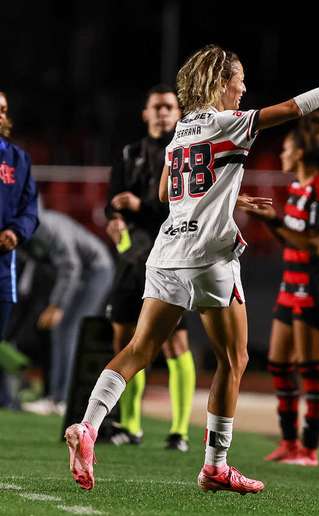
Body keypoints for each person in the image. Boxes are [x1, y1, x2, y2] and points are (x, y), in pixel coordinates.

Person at [64, 44, 319, 493]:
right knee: (234, 358)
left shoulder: (181, 131)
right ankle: (216, 465)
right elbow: (294, 108)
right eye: (239, 78)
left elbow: (166, 192)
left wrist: (229, 198)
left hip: (166, 253)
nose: (244, 87)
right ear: (221, 81)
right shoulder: (229, 123)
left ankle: (88, 426)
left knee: (139, 349)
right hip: (210, 257)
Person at [238, 112, 319, 468]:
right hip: (293, 282)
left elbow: (313, 245)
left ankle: (309, 450)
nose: (282, 154)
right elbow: (292, 241)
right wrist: (269, 222)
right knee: (279, 364)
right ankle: (288, 442)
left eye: (286, 149)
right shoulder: (298, 190)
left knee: (311, 368)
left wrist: (276, 221)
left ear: (299, 153)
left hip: (317, 286)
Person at [104, 84, 194, 451]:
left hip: (171, 256)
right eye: (156, 107)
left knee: (176, 342)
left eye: (168, 107)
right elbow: (111, 203)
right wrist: (115, 220)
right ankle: (130, 425)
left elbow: (180, 208)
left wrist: (138, 207)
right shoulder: (129, 154)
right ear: (145, 113)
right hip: (132, 260)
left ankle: (179, 431)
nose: (162, 112)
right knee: (126, 339)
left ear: (178, 113)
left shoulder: (184, 153)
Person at [20, 205, 114, 416]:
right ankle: (56, 396)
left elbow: (71, 266)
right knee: (62, 331)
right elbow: (36, 261)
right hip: (81, 273)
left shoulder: (45, 226)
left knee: (68, 330)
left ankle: (62, 399)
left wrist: (57, 305)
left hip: (96, 270)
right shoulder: (28, 228)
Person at [0, 90, 39, 408]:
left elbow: (30, 208)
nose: (1, 115)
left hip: (3, 267)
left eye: (3, 110)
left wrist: (16, 231)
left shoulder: (18, 159)